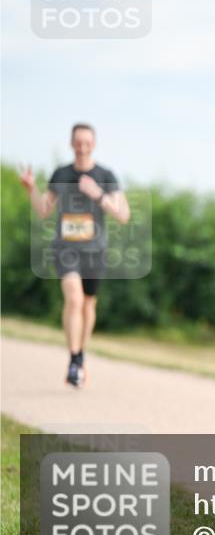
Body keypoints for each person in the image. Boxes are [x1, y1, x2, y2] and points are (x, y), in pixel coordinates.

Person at [19, 123, 130, 387]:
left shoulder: (106, 175)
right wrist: (30, 189)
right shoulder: (61, 173)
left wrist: (98, 194)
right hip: (66, 248)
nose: (82, 147)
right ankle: (73, 358)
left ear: (94, 144)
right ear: (71, 144)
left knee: (88, 306)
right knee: (73, 298)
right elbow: (45, 209)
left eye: (87, 143)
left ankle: (80, 356)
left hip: (94, 251)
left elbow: (123, 215)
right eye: (77, 142)